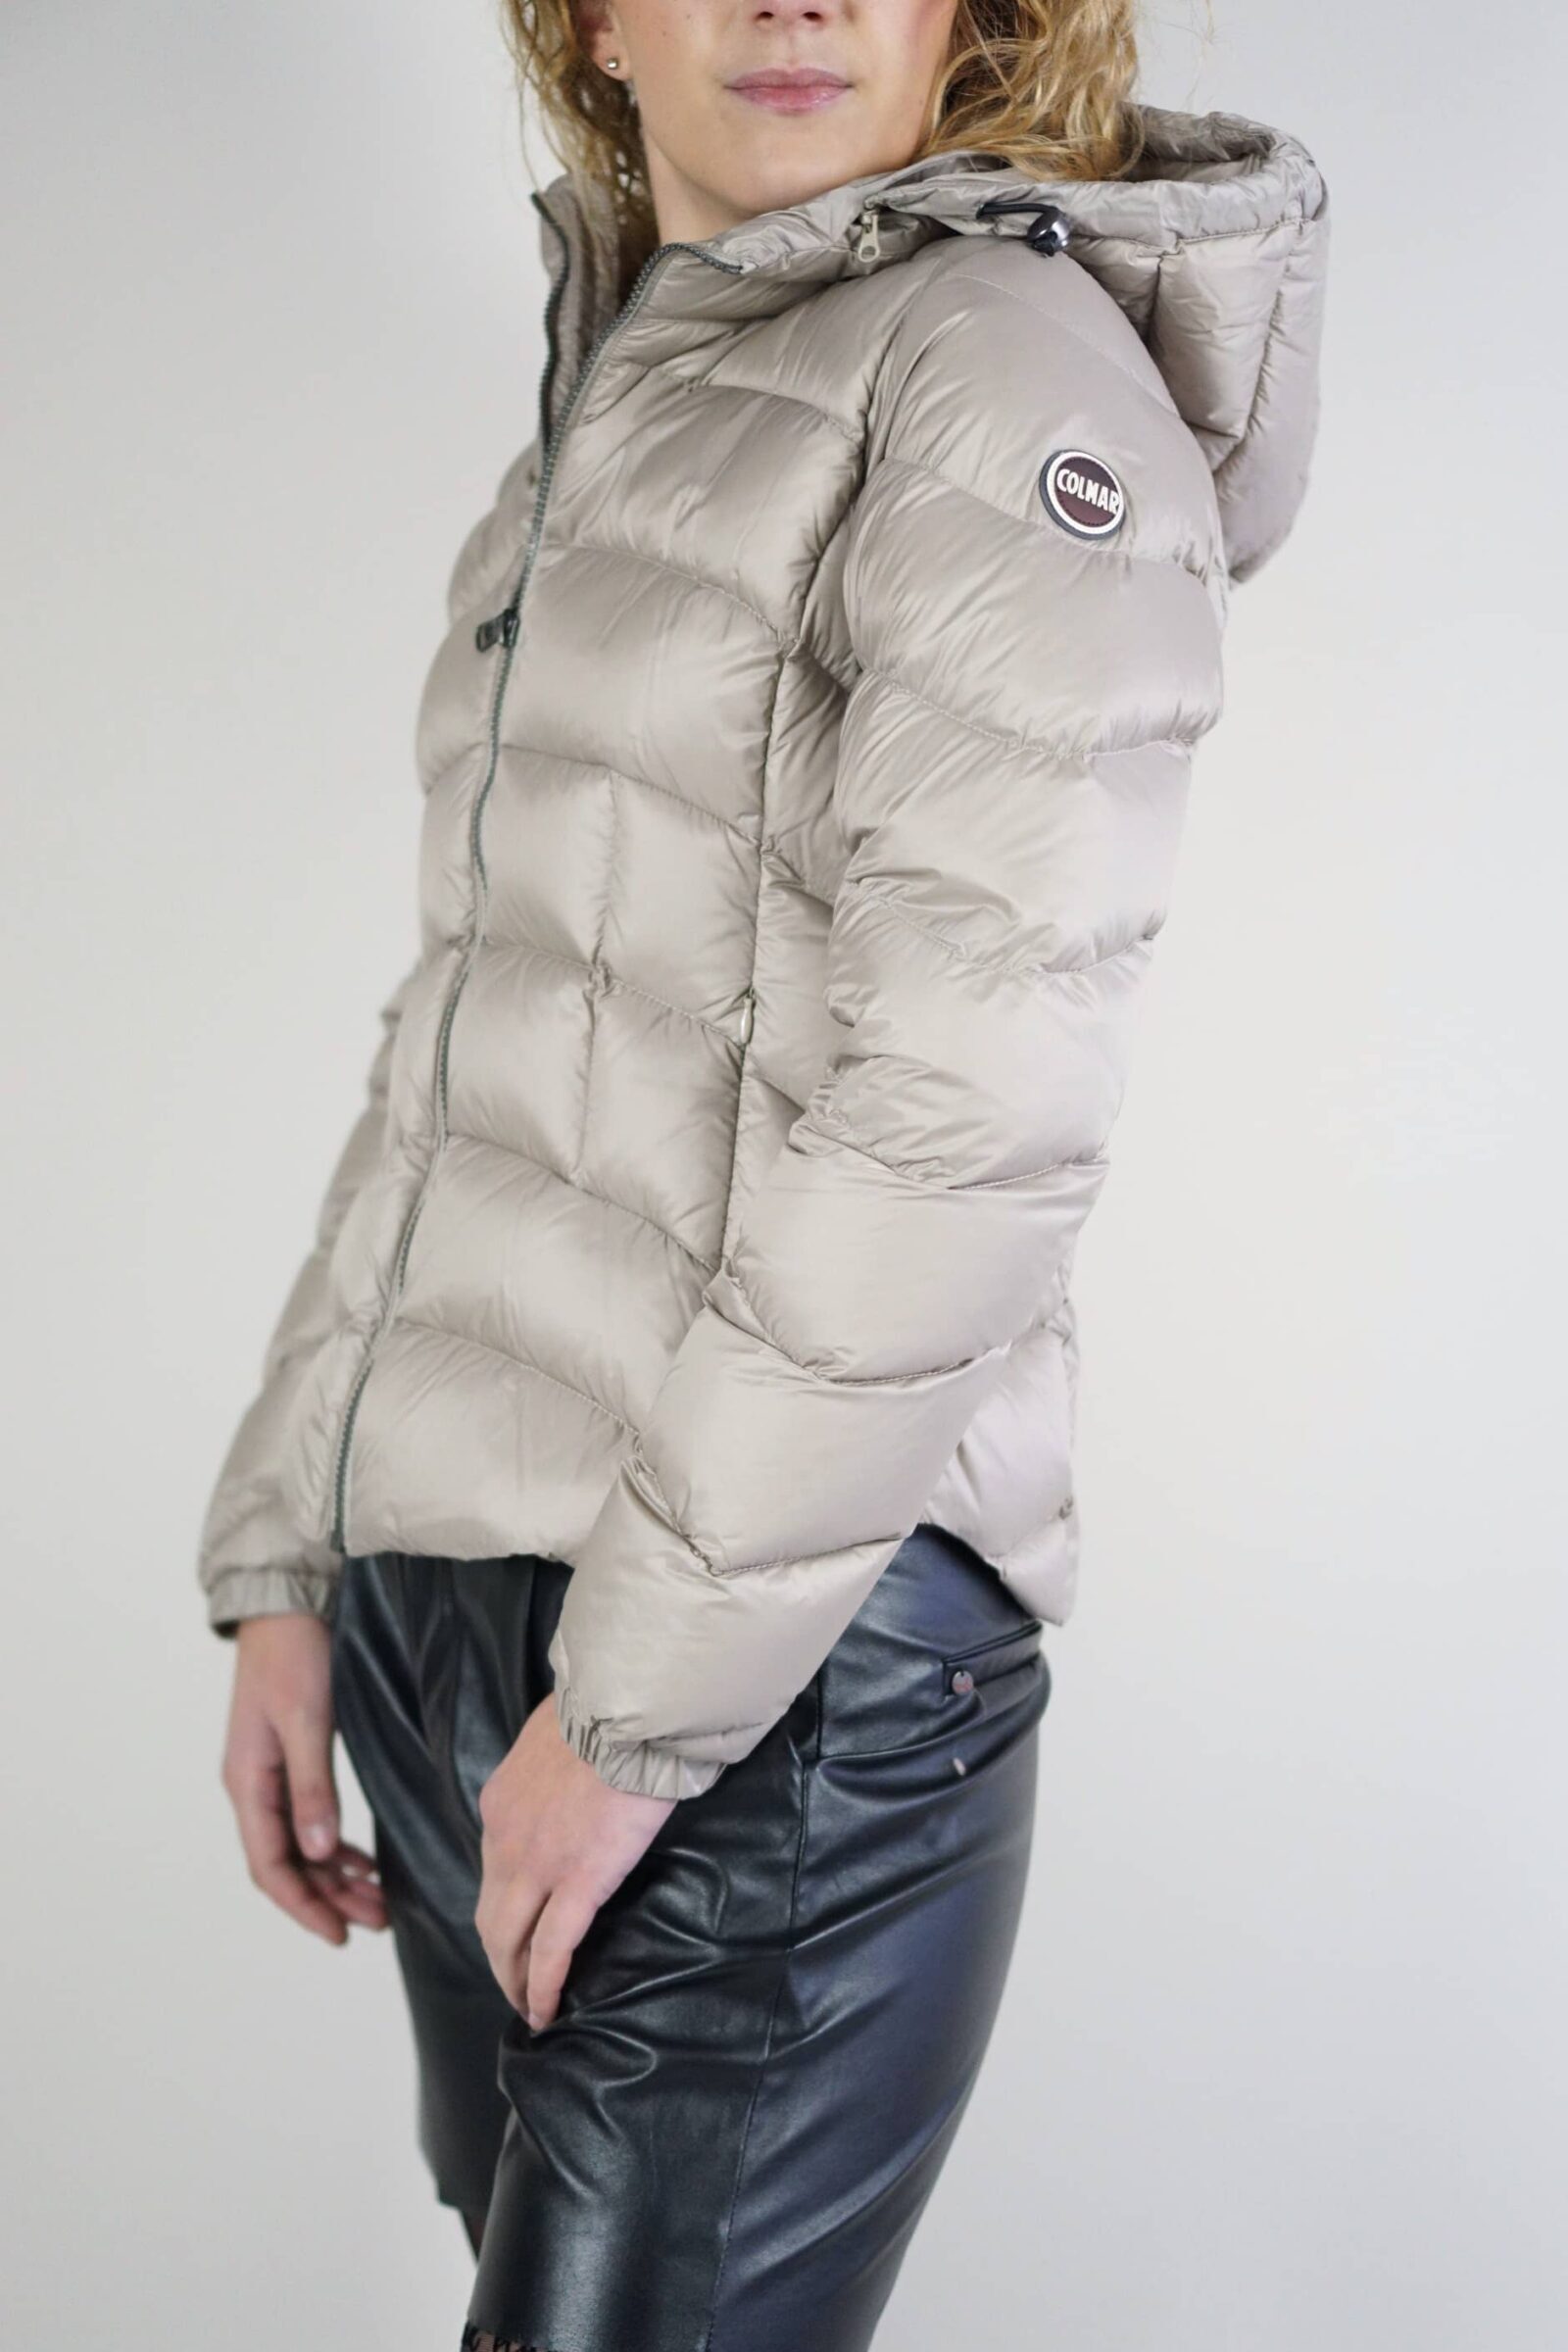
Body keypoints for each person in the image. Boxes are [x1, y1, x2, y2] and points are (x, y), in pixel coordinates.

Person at [201, 0, 1329, 2342]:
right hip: (465, 1615)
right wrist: (294, 1554)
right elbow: (472, 1023)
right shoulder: (619, 395)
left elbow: (968, 1100)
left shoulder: (992, 366)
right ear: (594, 23)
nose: (797, 2)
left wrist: (637, 1711)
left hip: (770, 1674)